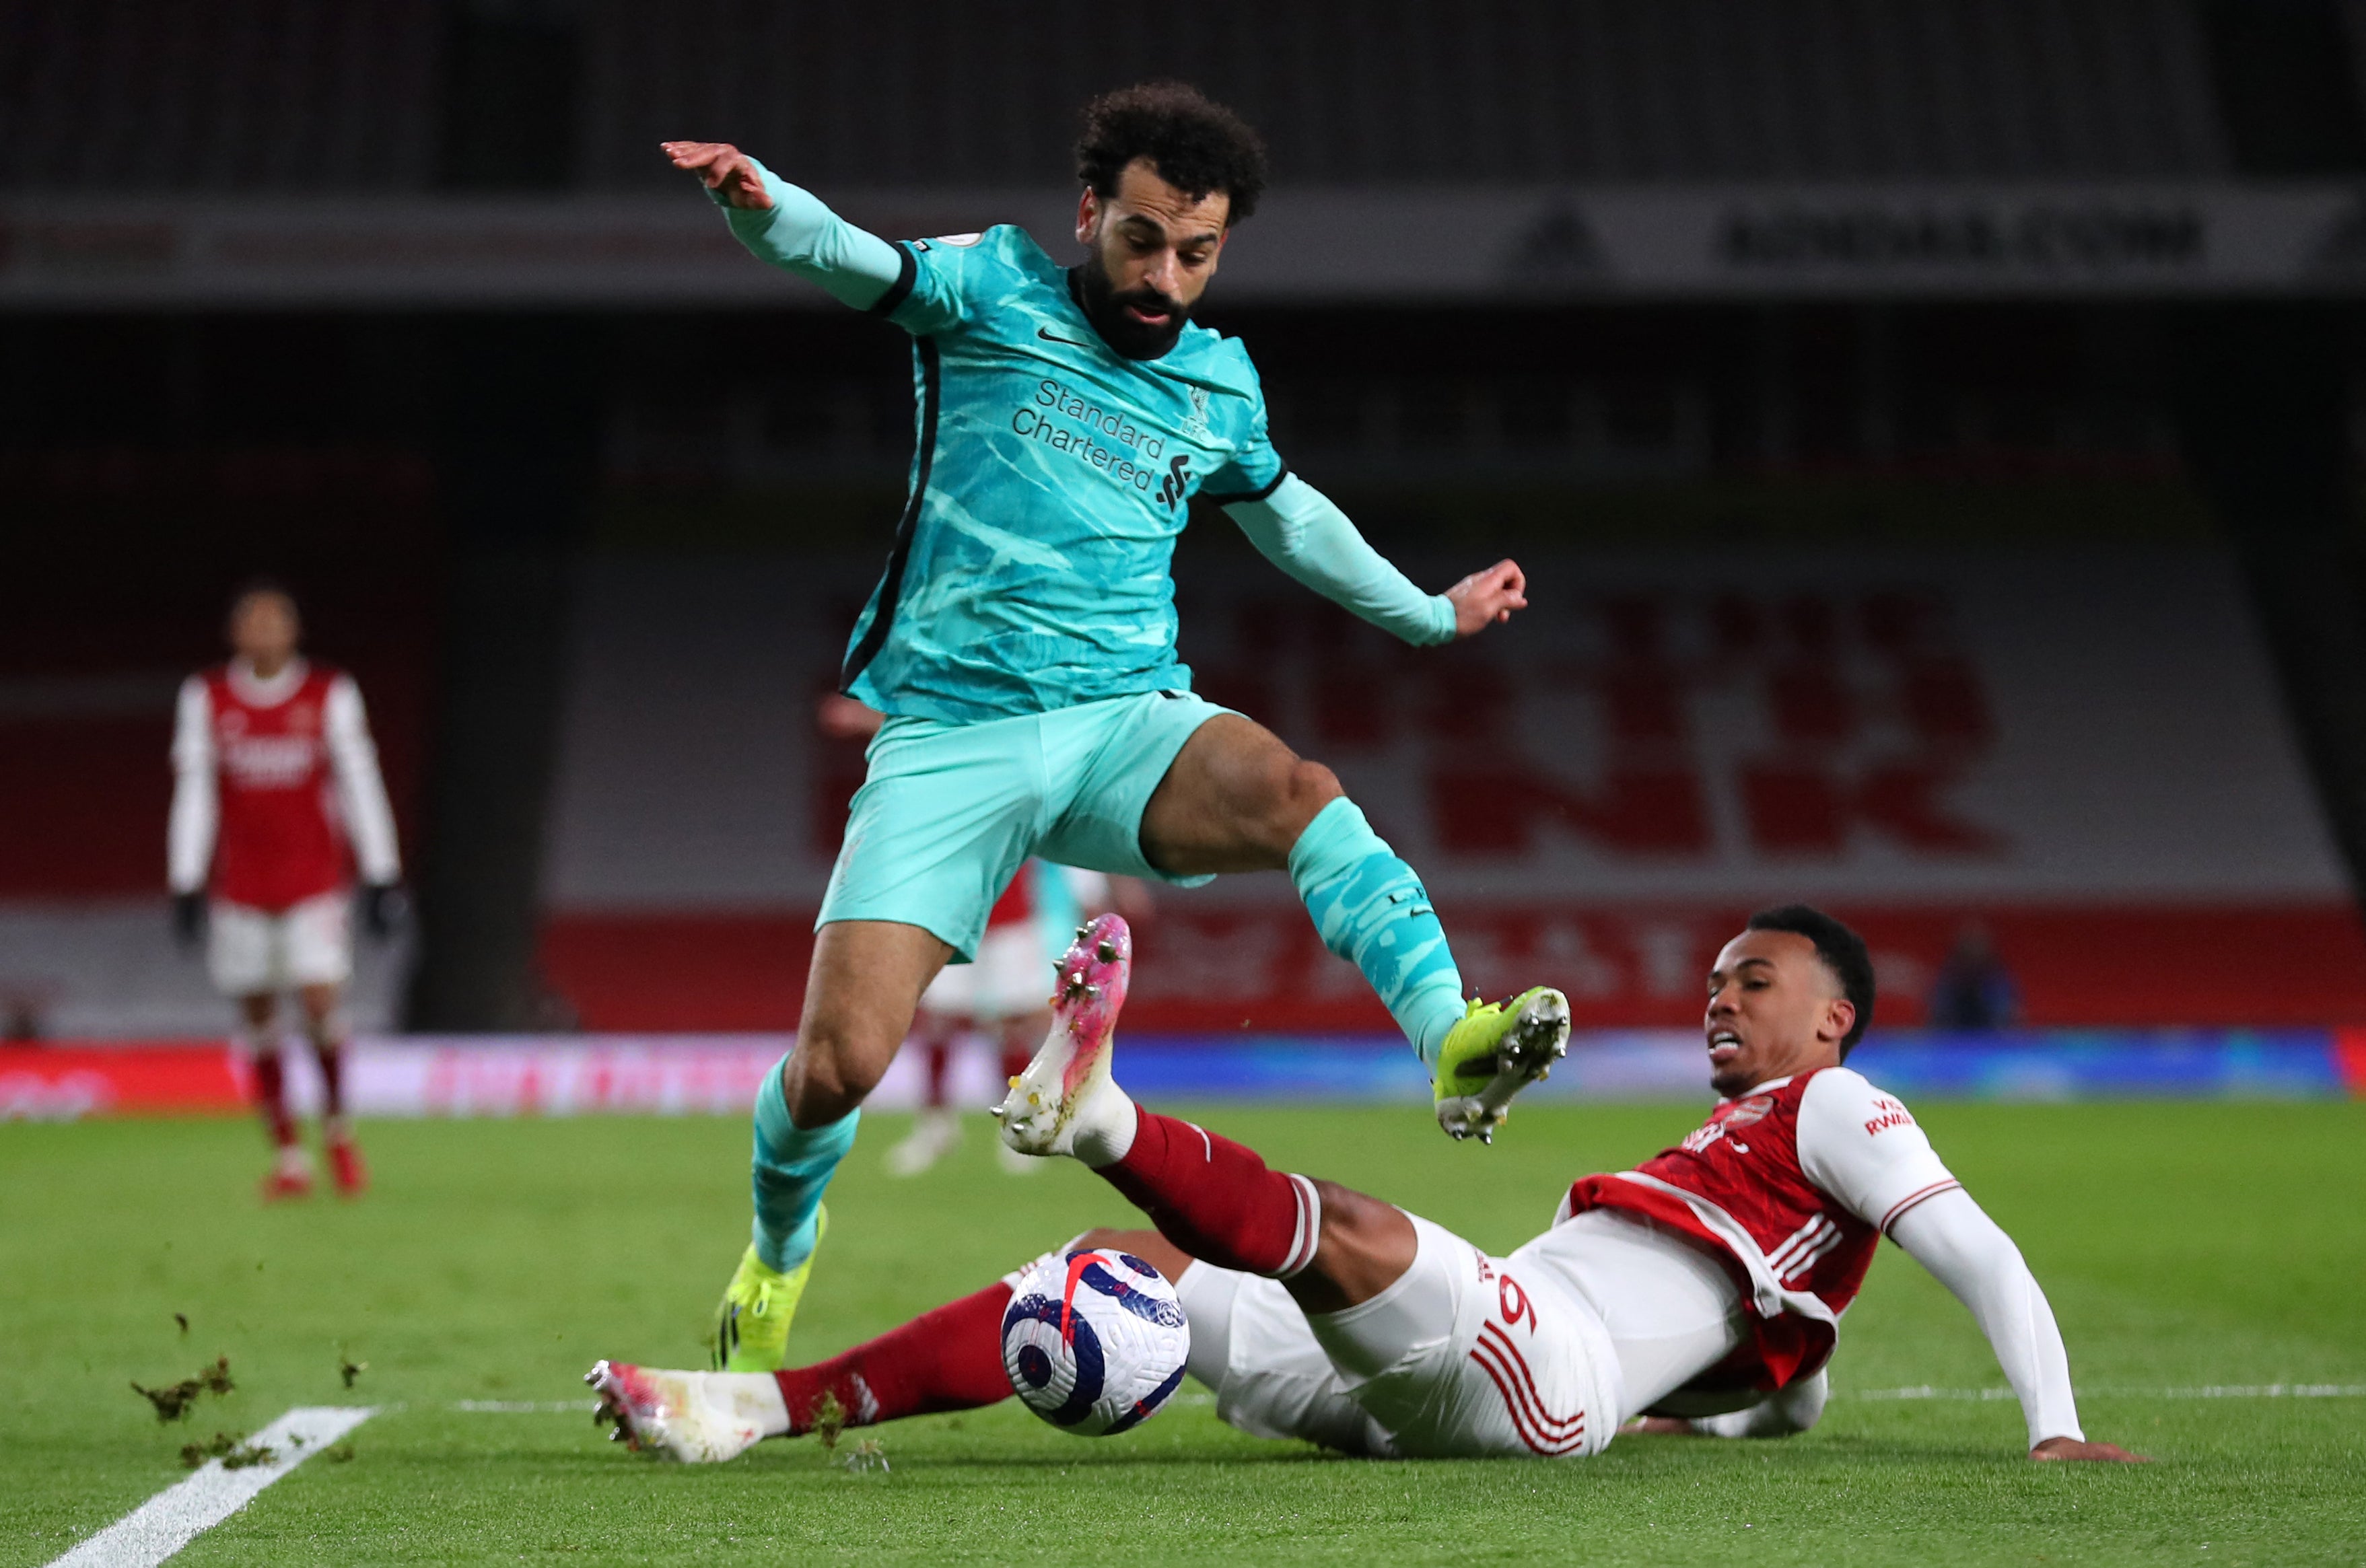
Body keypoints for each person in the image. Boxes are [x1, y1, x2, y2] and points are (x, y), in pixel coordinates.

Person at [668, 81, 1568, 1375]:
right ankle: (780, 1246)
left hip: (1120, 720)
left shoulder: (1217, 385)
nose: (1163, 276)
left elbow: (1293, 521)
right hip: (951, 736)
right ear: (1090, 213)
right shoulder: (986, 291)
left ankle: (1452, 1037)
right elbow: (849, 258)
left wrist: (1430, 616)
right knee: (835, 1069)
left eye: (1195, 253)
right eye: (1140, 239)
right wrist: (762, 204)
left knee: (1299, 791)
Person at [589, 906, 2143, 1467]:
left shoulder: (1843, 1102)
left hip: (1544, 1373)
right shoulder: (1733, 1161)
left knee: (1361, 1224)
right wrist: (1730, 1400)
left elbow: (1983, 1251)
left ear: (1835, 1018)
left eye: (1761, 978)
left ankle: (1101, 1101)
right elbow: (1795, 1388)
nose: (1722, 997)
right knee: (1110, 1268)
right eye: (1719, 978)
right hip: (1459, 1371)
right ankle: (758, 1407)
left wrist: (2053, 1421)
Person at [168, 584, 403, 1199]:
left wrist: (382, 871)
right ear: (235, 634)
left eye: (276, 623)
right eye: (254, 623)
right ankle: (289, 1158)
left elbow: (359, 780)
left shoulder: (328, 693)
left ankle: (337, 1130)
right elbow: (196, 790)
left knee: (321, 1003)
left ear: (294, 633)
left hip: (313, 883)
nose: (265, 633)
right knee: (257, 1017)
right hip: (240, 888)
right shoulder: (208, 697)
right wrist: (185, 879)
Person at [1926, 919, 2021, 1030]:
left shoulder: (1998, 979)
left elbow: (2009, 1016)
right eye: (1969, 945)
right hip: (1952, 1039)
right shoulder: (1948, 980)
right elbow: (1936, 1016)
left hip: (1992, 1039)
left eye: (1978, 945)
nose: (1974, 950)